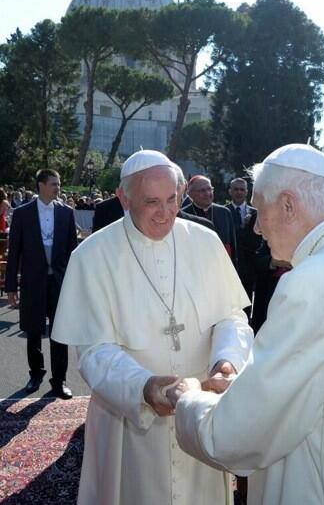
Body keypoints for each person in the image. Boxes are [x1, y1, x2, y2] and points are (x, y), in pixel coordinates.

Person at [171, 143, 324, 505]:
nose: (258, 228)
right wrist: (246, 385)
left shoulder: (308, 282)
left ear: (289, 205)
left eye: (260, 211)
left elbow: (241, 433)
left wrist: (188, 400)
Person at [51, 149, 253, 505]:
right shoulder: (93, 256)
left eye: (172, 199)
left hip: (198, 412)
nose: (165, 213)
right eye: (151, 202)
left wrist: (226, 361)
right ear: (123, 198)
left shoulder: (205, 242)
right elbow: (95, 350)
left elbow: (231, 316)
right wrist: (145, 387)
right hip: (130, 421)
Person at [5, 169, 77, 398]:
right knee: (33, 330)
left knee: (60, 331)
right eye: (54, 184)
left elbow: (72, 252)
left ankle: (60, 380)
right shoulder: (22, 214)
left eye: (59, 184)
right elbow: (13, 252)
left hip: (58, 282)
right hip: (32, 282)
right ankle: (35, 374)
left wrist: (75, 284)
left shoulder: (67, 213)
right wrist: (10, 288)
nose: (58, 188)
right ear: (41, 185)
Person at [183, 175, 237, 262]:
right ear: (190, 194)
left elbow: (233, 246)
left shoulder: (224, 212)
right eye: (202, 190)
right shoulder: (184, 215)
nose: (207, 193)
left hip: (222, 265)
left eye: (209, 189)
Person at [226, 178, 261, 305]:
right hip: (230, 265)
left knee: (248, 302)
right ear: (230, 191)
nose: (239, 192)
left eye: (242, 189)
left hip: (250, 266)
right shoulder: (223, 212)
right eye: (236, 189)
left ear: (247, 192)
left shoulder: (256, 213)